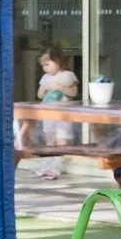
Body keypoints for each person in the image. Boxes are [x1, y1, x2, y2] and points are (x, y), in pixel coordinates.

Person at [34, 48, 80, 177]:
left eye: (47, 64)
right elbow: (40, 95)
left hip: (62, 114)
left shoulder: (67, 75)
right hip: (49, 113)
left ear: (58, 61)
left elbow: (73, 92)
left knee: (61, 139)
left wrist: (59, 87)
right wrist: (43, 88)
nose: (45, 68)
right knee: (50, 139)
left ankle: (58, 164)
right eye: (43, 66)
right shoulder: (45, 78)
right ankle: (47, 162)